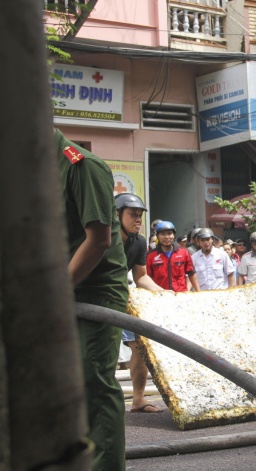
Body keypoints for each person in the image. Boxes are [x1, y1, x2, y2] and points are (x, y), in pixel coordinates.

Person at [57, 128, 128, 470]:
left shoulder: (80, 165)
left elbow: (98, 239)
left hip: (95, 290)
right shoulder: (27, 169)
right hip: (55, 290)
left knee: (93, 381)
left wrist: (52, 294)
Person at [114, 193, 165, 414]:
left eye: (140, 215)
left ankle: (138, 399)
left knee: (140, 347)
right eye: (132, 215)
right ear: (117, 215)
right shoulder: (104, 237)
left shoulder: (139, 241)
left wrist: (165, 293)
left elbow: (141, 277)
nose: (138, 220)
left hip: (124, 297)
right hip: (97, 298)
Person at [146, 221, 201, 292]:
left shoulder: (184, 252)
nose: (166, 237)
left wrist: (199, 292)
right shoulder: (151, 255)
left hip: (180, 295)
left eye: (169, 234)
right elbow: (147, 277)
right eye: (162, 234)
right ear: (158, 236)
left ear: (174, 235)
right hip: (160, 296)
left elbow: (191, 274)